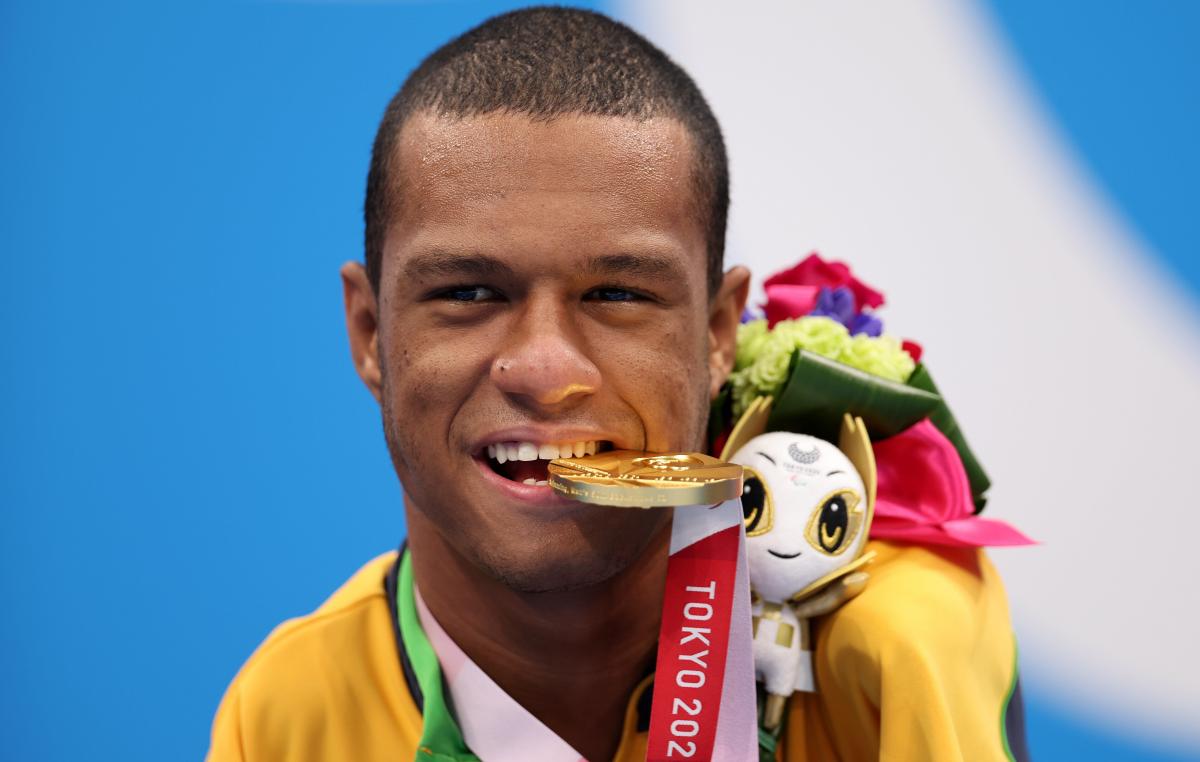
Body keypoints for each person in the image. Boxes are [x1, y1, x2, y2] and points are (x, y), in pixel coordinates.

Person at [207, 7, 1027, 761]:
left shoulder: (888, 658)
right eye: (468, 292)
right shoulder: (287, 717)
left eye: (618, 295)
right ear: (372, 334)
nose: (546, 370)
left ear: (715, 334)